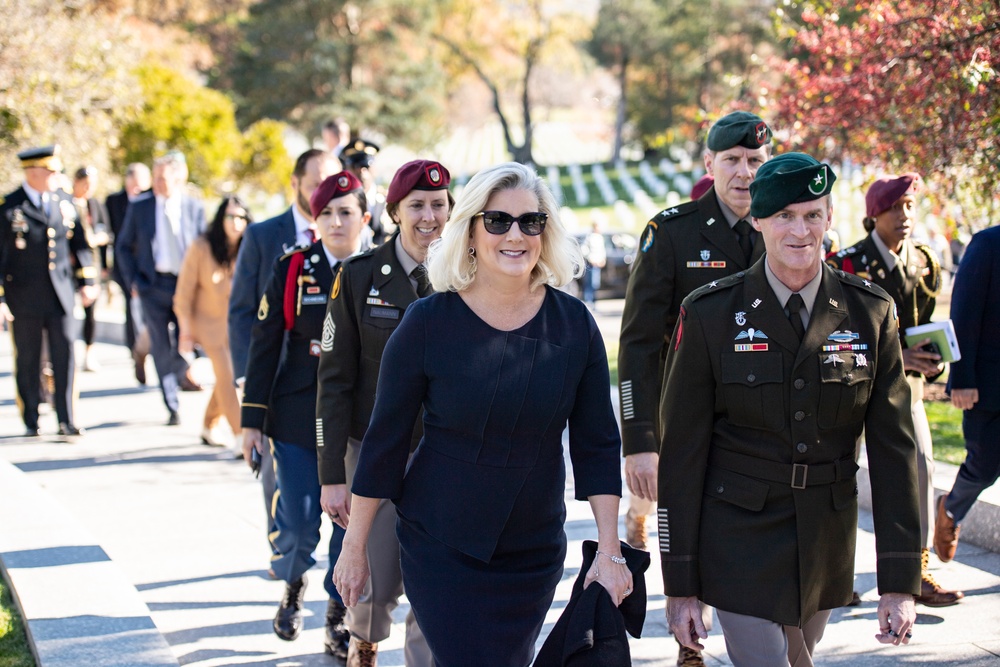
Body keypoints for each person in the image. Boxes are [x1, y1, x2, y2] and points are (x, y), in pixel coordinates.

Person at [333, 162, 631, 667]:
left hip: (532, 549)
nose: (515, 235)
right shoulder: (427, 323)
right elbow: (384, 442)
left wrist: (609, 549)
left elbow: (597, 444)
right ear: (471, 231)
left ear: (546, 231)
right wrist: (354, 546)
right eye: (497, 221)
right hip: (441, 543)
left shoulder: (574, 324)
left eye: (530, 222)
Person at [660, 153, 921, 666]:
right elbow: (683, 454)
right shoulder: (711, 313)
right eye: (784, 216)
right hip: (737, 535)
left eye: (813, 214)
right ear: (757, 221)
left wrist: (898, 581)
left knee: (800, 659)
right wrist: (681, 583)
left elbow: (895, 453)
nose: (800, 230)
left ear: (829, 219)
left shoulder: (870, 313)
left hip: (825, 537)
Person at [618, 111, 771, 666]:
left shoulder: (782, 226)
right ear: (710, 164)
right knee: (689, 533)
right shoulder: (674, 232)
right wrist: (639, 437)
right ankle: (690, 644)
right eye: (732, 160)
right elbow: (637, 342)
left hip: (758, 425)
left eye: (755, 161)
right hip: (684, 423)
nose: (744, 172)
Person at [316, 159, 454, 667]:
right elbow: (333, 383)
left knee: (435, 578)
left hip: (443, 456)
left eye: (438, 205)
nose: (429, 217)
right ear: (394, 211)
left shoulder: (465, 277)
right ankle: (365, 645)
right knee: (372, 576)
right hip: (371, 453)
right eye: (416, 205)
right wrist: (332, 475)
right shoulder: (357, 277)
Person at [241, 171, 371, 659]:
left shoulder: (377, 270)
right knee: (295, 523)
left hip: (355, 425)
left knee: (348, 527)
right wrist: (251, 420)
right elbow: (264, 345)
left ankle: (337, 616)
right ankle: (293, 581)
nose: (336, 222)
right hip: (296, 417)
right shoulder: (294, 269)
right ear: (313, 220)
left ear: (365, 216)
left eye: (346, 212)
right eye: (326, 214)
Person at [827, 172, 962, 607]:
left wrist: (931, 355)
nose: (905, 216)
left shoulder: (923, 260)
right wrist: (897, 354)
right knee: (839, 476)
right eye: (894, 207)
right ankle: (832, 576)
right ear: (874, 214)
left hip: (906, 390)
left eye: (909, 206)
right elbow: (834, 332)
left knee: (919, 468)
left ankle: (915, 569)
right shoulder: (846, 264)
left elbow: (920, 323)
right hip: (849, 387)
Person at [228, 148, 341, 577]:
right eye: (316, 185)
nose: (325, 194)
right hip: (280, 388)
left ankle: (328, 595)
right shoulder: (263, 236)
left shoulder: (355, 242)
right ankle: (288, 561)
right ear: (296, 184)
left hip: (336, 397)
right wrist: (247, 385)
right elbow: (244, 314)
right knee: (288, 494)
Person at [0, 145, 98, 438]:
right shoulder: (9, 206)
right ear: (34, 172)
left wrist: (87, 282)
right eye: (51, 171)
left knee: (65, 356)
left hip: (61, 295)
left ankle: (67, 418)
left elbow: (80, 244)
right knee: (28, 359)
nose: (57, 176)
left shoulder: (64, 202)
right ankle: (32, 418)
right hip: (24, 297)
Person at [115, 151, 206, 425]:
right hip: (152, 285)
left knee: (186, 340)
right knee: (160, 343)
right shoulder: (141, 206)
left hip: (186, 285)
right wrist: (133, 280)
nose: (156, 183)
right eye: (154, 177)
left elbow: (205, 247)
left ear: (178, 178)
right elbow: (123, 246)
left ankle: (180, 370)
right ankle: (172, 403)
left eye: (162, 177)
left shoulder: (194, 207)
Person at [934, 225, 1000, 565]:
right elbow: (964, 312)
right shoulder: (988, 243)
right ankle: (951, 508)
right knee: (984, 465)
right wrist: (961, 377)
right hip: (989, 383)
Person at [173, 196, 251, 454]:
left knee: (224, 378)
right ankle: (240, 436)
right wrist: (185, 330)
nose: (235, 223)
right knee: (228, 375)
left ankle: (208, 425)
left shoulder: (248, 247)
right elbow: (183, 293)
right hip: (207, 323)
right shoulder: (201, 246)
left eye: (241, 217)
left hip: (237, 325)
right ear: (220, 219)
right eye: (230, 216)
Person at [106, 162, 152, 384]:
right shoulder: (114, 201)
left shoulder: (152, 200)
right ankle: (135, 348)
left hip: (149, 266)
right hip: (125, 265)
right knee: (132, 308)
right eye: (133, 184)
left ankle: (143, 348)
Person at [71, 166, 111, 372]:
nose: (88, 189)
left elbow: (105, 232)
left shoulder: (95, 205)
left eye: (91, 185)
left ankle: (89, 353)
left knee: (91, 312)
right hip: (72, 265)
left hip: (92, 264)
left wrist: (104, 266)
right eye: (85, 184)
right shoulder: (66, 203)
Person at [341, 138, 390, 245]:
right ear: (346, 170)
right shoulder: (340, 202)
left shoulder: (388, 201)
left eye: (366, 166)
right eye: (355, 167)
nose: (362, 172)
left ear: (374, 168)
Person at [580, 220, 606, 307]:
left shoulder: (600, 237)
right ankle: (589, 301)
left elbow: (602, 251)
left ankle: (594, 301)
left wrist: (603, 259)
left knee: (595, 283)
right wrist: (590, 259)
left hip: (598, 263)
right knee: (589, 283)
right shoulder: (590, 237)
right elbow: (584, 250)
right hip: (591, 263)